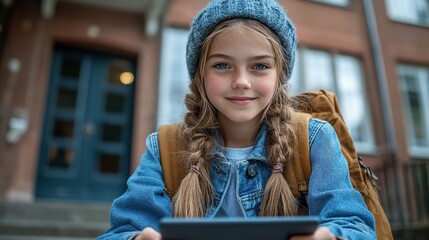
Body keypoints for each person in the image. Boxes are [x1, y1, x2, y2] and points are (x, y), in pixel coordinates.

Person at [97, 0, 376, 239]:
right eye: (222, 65)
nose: (241, 81)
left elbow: (355, 225)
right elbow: (121, 230)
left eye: (259, 66)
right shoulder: (164, 148)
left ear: (279, 75)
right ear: (200, 76)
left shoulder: (315, 140)